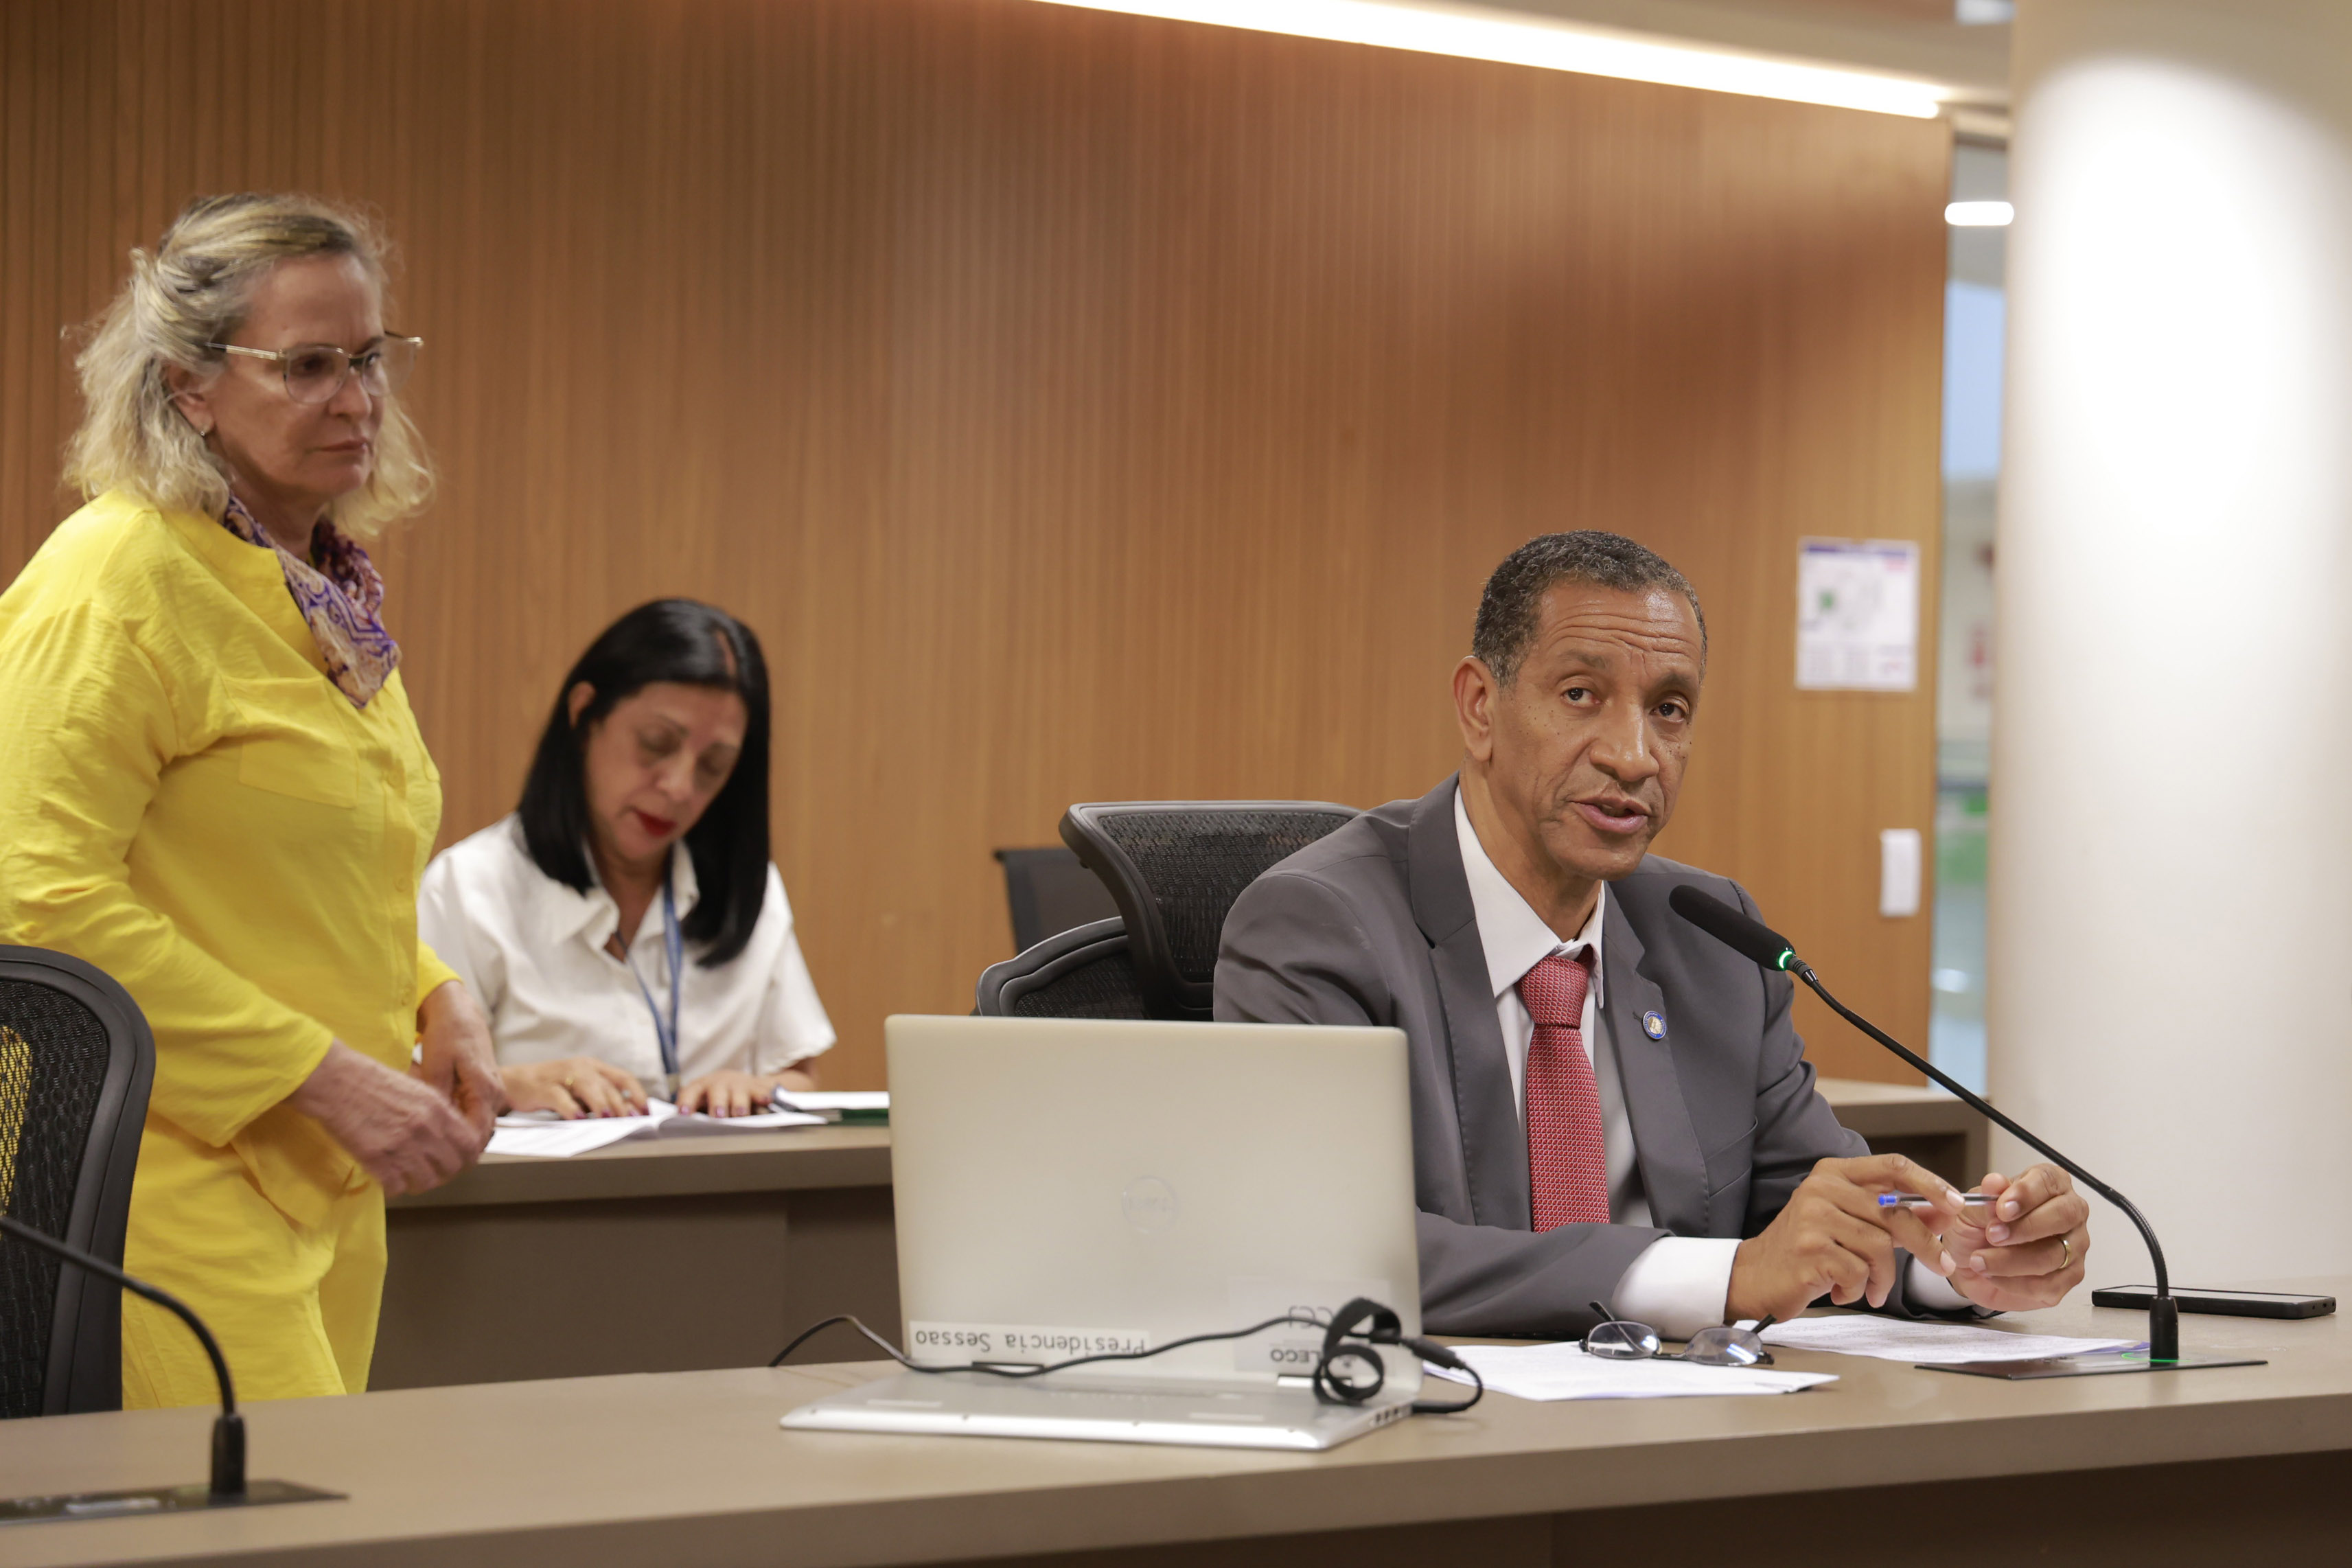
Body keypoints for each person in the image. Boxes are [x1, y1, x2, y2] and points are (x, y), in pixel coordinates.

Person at [1215, 533, 2090, 1339]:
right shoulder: (1320, 925)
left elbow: (1819, 1205)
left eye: (1669, 709)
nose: (1634, 756)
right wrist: (1727, 1276)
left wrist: (1965, 1252)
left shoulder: (1711, 937)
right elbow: (1328, 1242)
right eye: (1581, 696)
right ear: (1480, 708)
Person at [0, 194, 501, 1407]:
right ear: (189, 386)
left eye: (370, 359)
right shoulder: (114, 577)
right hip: (157, 1185)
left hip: (324, 1181)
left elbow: (301, 869)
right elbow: (33, 902)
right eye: (309, 365)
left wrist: (435, 988)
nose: (358, 400)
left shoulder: (322, 597)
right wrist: (319, 1073)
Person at [417, 600, 833, 1119]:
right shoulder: (470, 887)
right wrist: (508, 1086)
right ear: (584, 714)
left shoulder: (748, 888)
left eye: (713, 766)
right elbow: (413, 1084)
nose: (679, 787)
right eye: (656, 743)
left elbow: (802, 1076)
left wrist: (757, 1087)